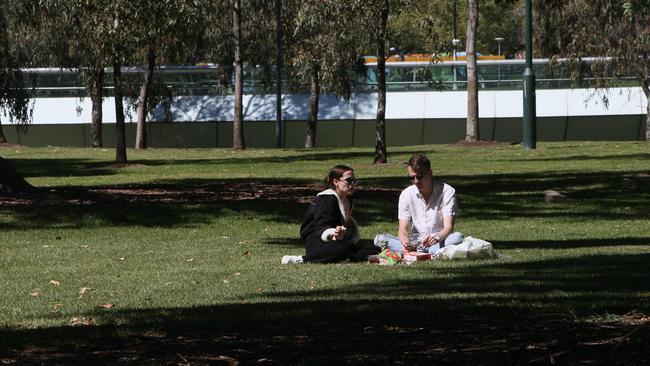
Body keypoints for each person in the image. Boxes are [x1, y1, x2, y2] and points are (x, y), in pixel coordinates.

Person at [281, 165, 379, 264]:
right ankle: (302, 259)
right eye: (348, 180)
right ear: (335, 182)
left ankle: (353, 256)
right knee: (343, 248)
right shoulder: (327, 199)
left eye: (354, 181)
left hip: (336, 241)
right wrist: (333, 233)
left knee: (372, 249)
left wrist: (341, 235)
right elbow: (321, 226)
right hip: (317, 240)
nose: (352, 184)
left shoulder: (348, 201)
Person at [374, 153, 464, 255]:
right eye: (412, 178)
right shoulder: (406, 194)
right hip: (416, 242)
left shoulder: (447, 191)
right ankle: (424, 252)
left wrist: (437, 237)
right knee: (379, 239)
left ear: (430, 173)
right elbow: (403, 229)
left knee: (457, 237)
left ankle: (424, 252)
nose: (416, 181)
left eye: (420, 177)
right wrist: (406, 243)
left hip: (439, 241)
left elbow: (448, 228)